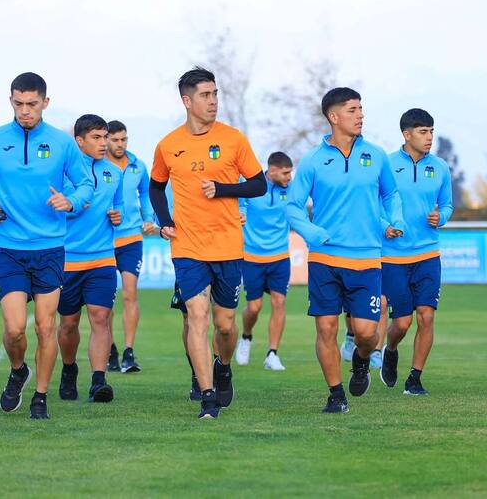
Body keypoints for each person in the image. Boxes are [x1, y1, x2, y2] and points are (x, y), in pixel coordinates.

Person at [0, 72, 93, 419]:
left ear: (45, 103)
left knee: (45, 325)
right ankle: (18, 369)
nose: (25, 110)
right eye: (19, 103)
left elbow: (85, 185)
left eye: (32, 104)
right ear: (11, 101)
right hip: (9, 248)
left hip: (50, 248)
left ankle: (39, 396)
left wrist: (70, 201)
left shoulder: (62, 142)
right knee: (13, 329)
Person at [149, 67, 266, 419]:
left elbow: (258, 185)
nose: (213, 101)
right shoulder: (168, 145)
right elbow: (156, 187)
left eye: (215, 94)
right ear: (187, 100)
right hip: (187, 248)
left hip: (228, 246)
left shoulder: (233, 139)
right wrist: (165, 221)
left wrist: (224, 189)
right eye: (205, 95)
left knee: (225, 325)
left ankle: (224, 365)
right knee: (196, 319)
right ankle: (208, 396)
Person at [286, 87, 404, 413]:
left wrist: (393, 219)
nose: (360, 115)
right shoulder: (312, 160)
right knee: (326, 327)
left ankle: (362, 360)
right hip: (325, 258)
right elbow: (294, 208)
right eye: (352, 110)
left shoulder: (377, 155)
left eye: (361, 109)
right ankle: (336, 394)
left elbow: (391, 195)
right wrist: (312, 232)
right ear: (334, 117)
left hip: (366, 258)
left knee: (366, 333)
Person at [378, 109, 453, 395]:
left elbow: (446, 205)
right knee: (402, 322)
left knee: (427, 315)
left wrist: (441, 218)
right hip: (394, 257)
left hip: (428, 255)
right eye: (423, 131)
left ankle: (415, 378)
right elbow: (374, 203)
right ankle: (391, 348)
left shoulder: (441, 167)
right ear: (407, 134)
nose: (429, 137)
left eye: (431, 131)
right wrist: (385, 226)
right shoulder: (386, 164)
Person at [56, 114, 123, 403]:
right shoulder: (63, 173)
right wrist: (73, 206)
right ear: (79, 141)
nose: (104, 143)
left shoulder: (114, 173)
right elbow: (54, 210)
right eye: (96, 137)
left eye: (105, 136)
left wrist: (116, 216)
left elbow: (117, 207)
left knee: (101, 318)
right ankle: (69, 370)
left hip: (103, 259)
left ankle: (99, 381)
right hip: (67, 261)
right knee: (69, 323)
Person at [103, 120, 156, 374]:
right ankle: (109, 349)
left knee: (129, 293)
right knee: (106, 299)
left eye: (124, 139)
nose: (120, 144)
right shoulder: (98, 165)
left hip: (131, 238)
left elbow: (146, 193)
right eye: (115, 140)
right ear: (106, 140)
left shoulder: (138, 165)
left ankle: (128, 351)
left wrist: (149, 219)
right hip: (102, 240)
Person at [235, 151, 294, 371]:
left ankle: (272, 354)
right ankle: (246, 337)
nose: (289, 177)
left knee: (279, 302)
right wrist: (240, 214)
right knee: (254, 307)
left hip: (280, 257)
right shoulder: (251, 185)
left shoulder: (292, 190)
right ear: (272, 170)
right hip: (252, 256)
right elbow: (240, 207)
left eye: (290, 173)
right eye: (286, 173)